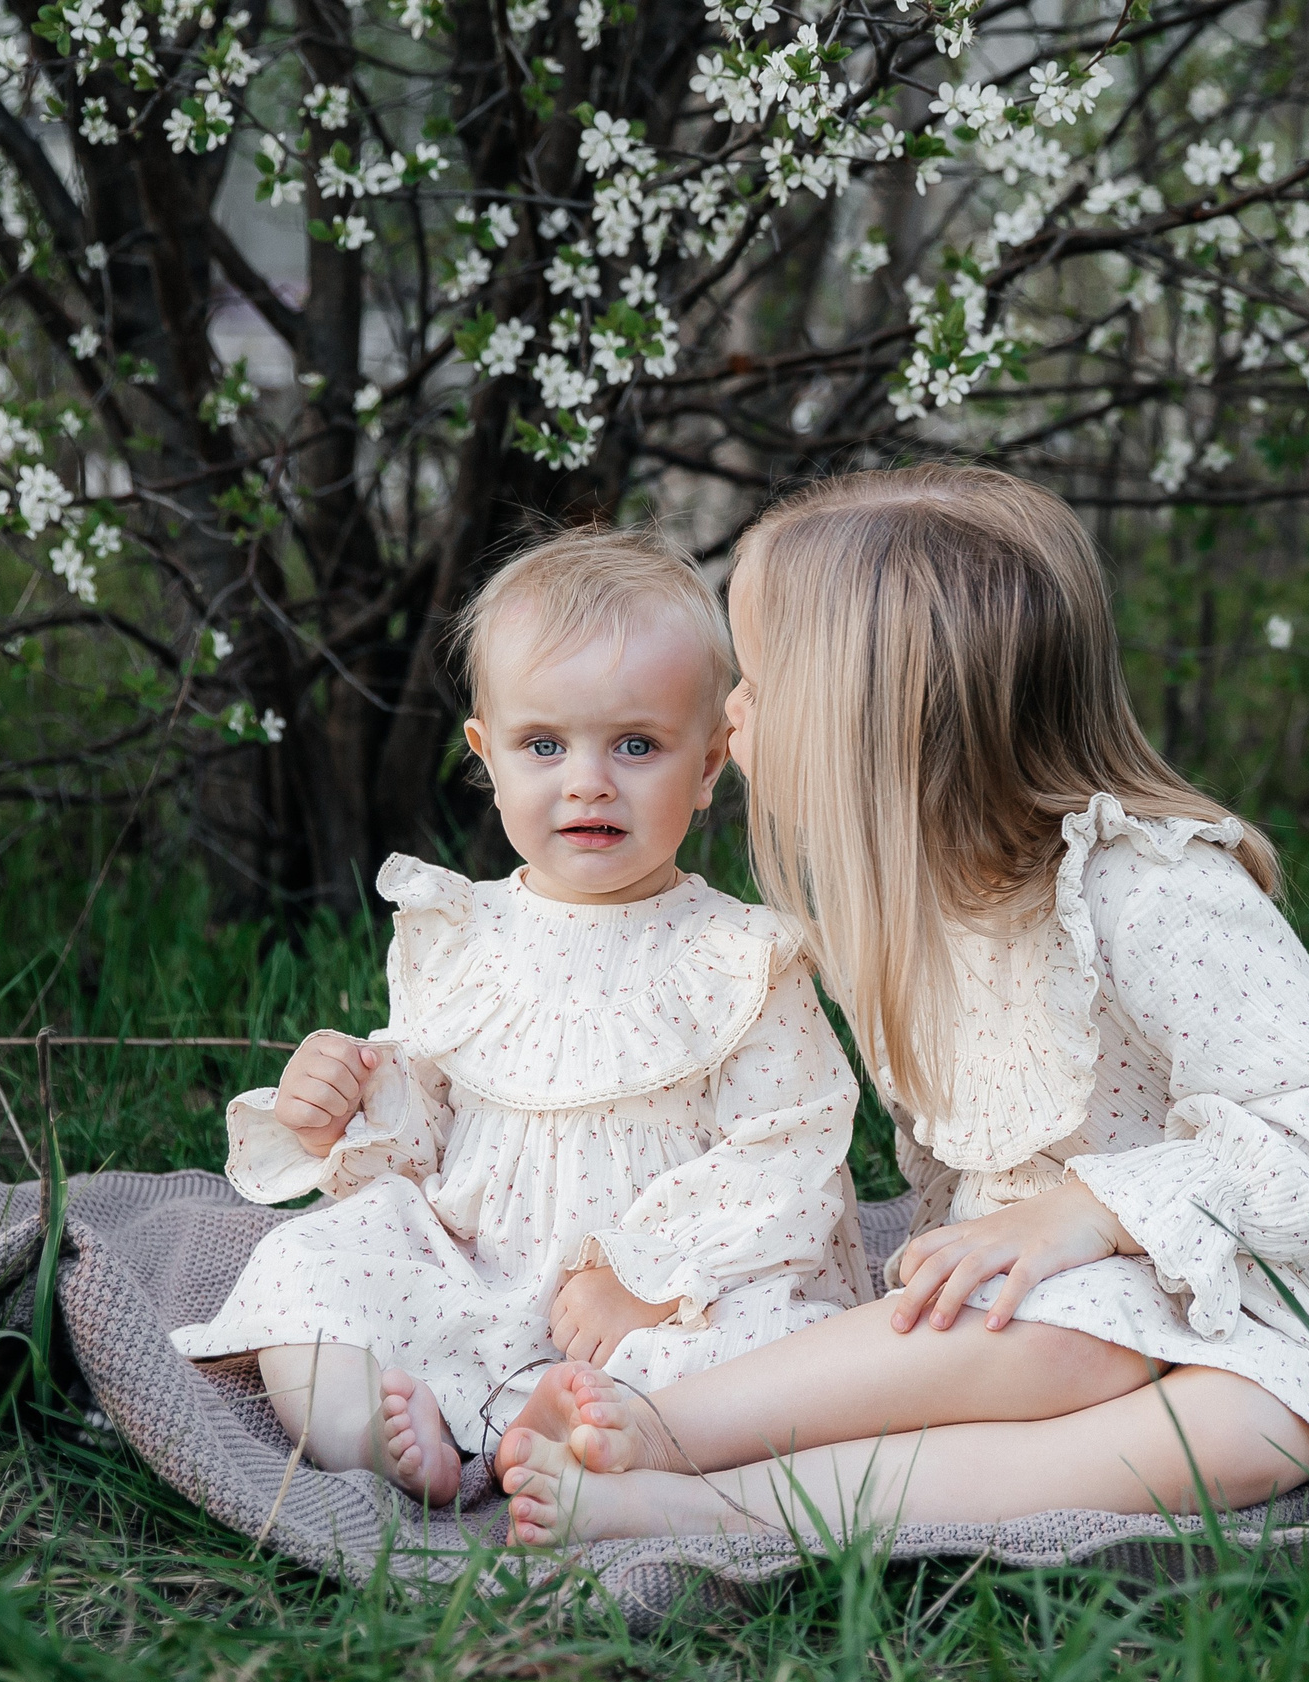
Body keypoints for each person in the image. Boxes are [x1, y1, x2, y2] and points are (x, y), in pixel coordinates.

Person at [499, 467, 1309, 1544]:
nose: (730, 713)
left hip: (1278, 1278)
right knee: (1042, 1334)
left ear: (870, 726)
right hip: (1071, 1293)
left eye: (762, 683)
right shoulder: (909, 909)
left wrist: (1086, 1215)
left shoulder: (1147, 888)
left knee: (1238, 1429)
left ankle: (703, 1493)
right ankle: (660, 1433)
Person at [170, 530, 871, 1504]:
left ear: (709, 763)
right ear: (486, 756)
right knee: (304, 1265)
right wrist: (344, 1105)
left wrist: (649, 1283)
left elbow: (787, 1155)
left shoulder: (741, 957)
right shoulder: (462, 935)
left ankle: (582, 1435)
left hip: (658, 1305)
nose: (587, 780)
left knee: (782, 1350)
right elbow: (431, 1137)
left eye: (636, 744)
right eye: (544, 745)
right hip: (481, 1269)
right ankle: (371, 1429)